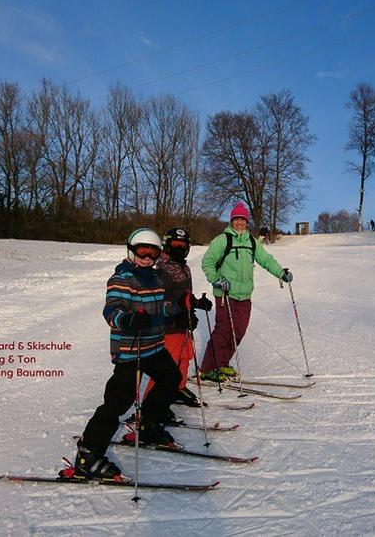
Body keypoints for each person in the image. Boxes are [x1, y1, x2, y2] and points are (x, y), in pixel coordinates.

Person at [65, 228, 189, 482]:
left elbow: (160, 307)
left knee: (170, 378)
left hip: (153, 346)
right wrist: (128, 319)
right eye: (142, 252)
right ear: (131, 251)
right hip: (131, 349)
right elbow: (111, 311)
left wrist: (179, 307)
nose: (146, 258)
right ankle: (88, 455)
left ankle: (149, 427)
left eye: (152, 253)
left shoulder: (155, 278)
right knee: (118, 402)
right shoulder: (122, 278)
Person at [199, 202, 292, 381]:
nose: (240, 223)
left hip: (245, 296)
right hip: (225, 294)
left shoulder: (251, 242)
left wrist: (281, 273)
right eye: (237, 219)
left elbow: (266, 260)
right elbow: (208, 262)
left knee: (238, 331)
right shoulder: (222, 240)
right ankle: (209, 368)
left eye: (243, 220)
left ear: (246, 222)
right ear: (232, 221)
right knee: (224, 330)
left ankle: (222, 363)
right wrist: (216, 280)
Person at [143, 227, 212, 410]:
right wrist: (178, 310)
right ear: (167, 244)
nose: (179, 248)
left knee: (185, 357)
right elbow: (155, 303)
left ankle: (177, 388)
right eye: (175, 244)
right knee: (167, 366)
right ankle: (149, 407)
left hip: (182, 323)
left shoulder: (183, 267)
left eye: (183, 245)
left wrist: (196, 303)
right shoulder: (160, 268)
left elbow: (182, 295)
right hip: (168, 326)